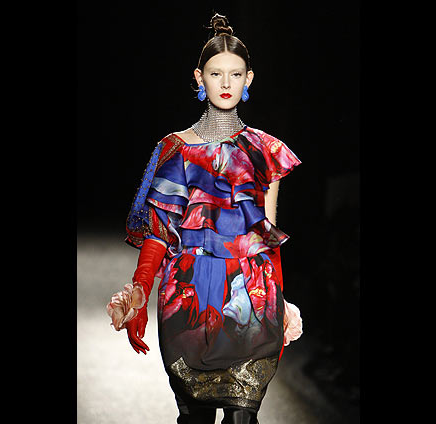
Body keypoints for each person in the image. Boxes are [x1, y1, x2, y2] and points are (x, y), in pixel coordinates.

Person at [107, 13, 303, 424]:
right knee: (195, 418)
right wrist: (140, 290)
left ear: (249, 79)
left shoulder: (266, 151)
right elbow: (158, 233)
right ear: (199, 78)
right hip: (188, 298)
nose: (226, 83)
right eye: (216, 74)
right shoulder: (174, 150)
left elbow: (266, 237)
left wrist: (281, 301)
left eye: (235, 74)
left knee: (243, 416)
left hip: (251, 300)